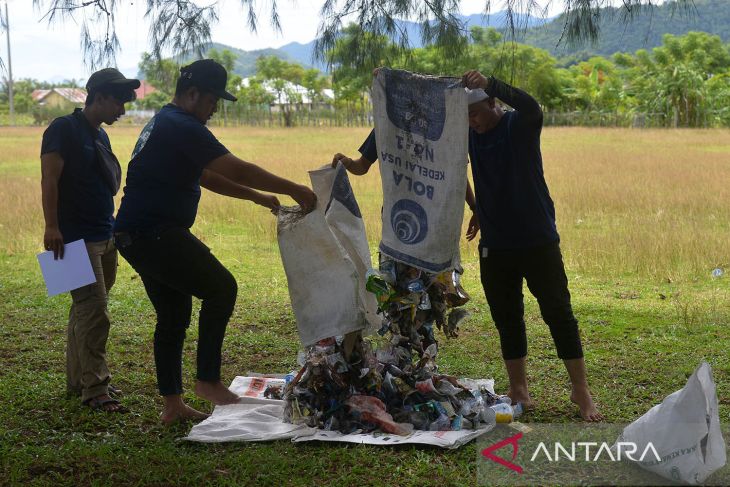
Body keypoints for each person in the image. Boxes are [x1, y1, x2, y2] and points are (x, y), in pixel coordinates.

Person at [334, 69, 602, 421]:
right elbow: (418, 140)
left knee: (559, 314)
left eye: (474, 114)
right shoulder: (466, 133)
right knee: (507, 317)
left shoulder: (517, 126)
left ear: (493, 103)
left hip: (538, 240)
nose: (470, 123)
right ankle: (519, 389)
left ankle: (580, 390)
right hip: (496, 244)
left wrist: (490, 82)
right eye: (465, 118)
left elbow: (532, 106)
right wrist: (475, 207)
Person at [113, 59, 317, 425]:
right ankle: (207, 380)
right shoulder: (181, 125)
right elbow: (235, 168)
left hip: (137, 236)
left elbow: (206, 176)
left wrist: (256, 197)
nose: (213, 111)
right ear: (193, 95)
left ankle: (172, 405)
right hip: (154, 233)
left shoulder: (166, 121)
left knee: (174, 316)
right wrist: (293, 187)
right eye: (212, 102)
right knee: (221, 288)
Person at [41, 68, 140, 413]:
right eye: (119, 102)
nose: (123, 111)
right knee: (95, 313)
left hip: (104, 234)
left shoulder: (101, 135)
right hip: (71, 239)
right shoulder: (62, 129)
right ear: (98, 97)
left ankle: (77, 380)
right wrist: (51, 227)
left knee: (85, 311)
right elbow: (49, 179)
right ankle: (96, 389)